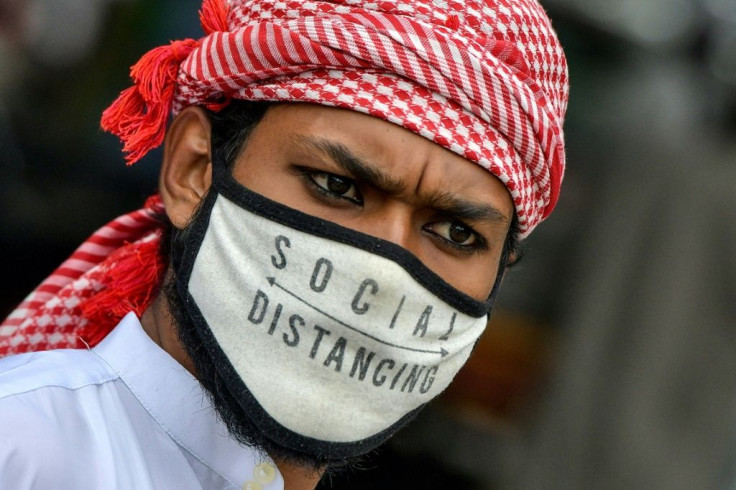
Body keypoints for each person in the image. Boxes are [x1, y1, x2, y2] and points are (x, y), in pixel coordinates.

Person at [0, 0, 568, 488]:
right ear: (193, 169)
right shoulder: (23, 452)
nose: (382, 277)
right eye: (336, 187)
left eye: (456, 234)